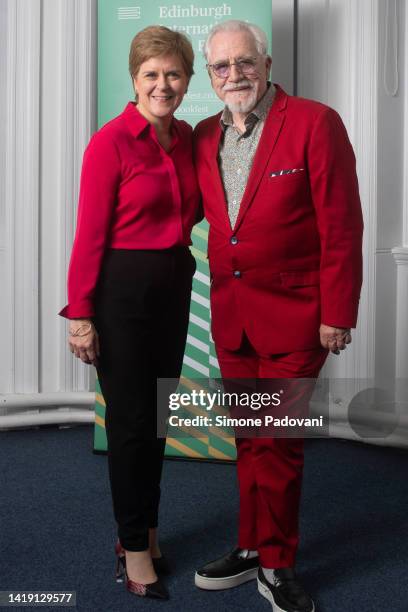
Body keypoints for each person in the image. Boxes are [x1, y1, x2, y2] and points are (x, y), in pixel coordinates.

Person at [193, 20, 363, 612]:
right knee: (248, 438)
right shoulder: (201, 137)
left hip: (297, 317)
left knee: (279, 441)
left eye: (244, 62)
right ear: (210, 75)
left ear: (265, 64)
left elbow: (342, 226)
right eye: (221, 67)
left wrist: (337, 312)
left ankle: (278, 564)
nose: (234, 75)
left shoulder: (315, 122)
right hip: (233, 318)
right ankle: (249, 547)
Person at [59, 26, 200, 601]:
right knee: (131, 425)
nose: (162, 85)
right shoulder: (110, 141)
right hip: (120, 292)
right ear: (134, 79)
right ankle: (133, 547)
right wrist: (80, 316)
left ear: (187, 80)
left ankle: (150, 529)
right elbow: (88, 236)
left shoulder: (189, 138)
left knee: (158, 420)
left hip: (173, 285)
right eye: (151, 74)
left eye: (173, 74)